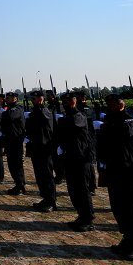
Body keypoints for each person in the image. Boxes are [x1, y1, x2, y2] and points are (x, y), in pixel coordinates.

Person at [98, 94, 133, 260]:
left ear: (122, 105)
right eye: (109, 104)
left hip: (127, 170)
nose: (111, 107)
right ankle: (127, 238)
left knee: (131, 208)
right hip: (113, 169)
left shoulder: (130, 122)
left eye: (114, 104)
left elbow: (121, 134)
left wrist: (104, 127)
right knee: (118, 207)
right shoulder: (109, 122)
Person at [57, 93, 95, 232]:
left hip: (80, 157)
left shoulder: (79, 115)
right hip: (71, 156)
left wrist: (61, 121)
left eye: (69, 101)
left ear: (74, 102)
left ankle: (88, 218)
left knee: (82, 190)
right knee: (73, 189)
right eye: (64, 101)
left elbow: (72, 124)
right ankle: (81, 215)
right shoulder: (66, 116)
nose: (66, 103)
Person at [25, 90, 57, 212]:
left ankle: (51, 201)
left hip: (45, 147)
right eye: (32, 99)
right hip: (36, 147)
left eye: (35, 98)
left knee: (47, 175)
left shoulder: (45, 111)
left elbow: (45, 124)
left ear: (41, 99)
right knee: (39, 175)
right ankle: (45, 198)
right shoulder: (35, 112)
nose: (33, 101)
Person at [1, 92, 26, 195]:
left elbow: (11, 116)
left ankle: (20, 185)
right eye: (7, 98)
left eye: (9, 98)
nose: (7, 100)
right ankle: (18, 184)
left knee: (17, 164)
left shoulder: (18, 108)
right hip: (9, 140)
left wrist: (5, 112)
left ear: (15, 99)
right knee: (11, 164)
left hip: (17, 140)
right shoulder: (8, 110)